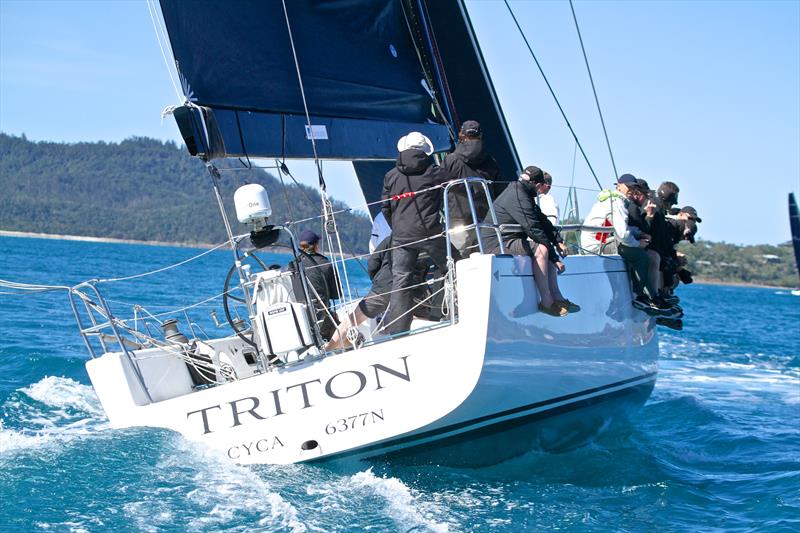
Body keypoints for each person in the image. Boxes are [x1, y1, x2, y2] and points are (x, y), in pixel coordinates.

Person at [381, 132, 453, 334]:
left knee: (401, 281)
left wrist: (397, 226)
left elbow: (385, 207)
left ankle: (398, 331)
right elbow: (455, 186)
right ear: (424, 151)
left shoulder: (391, 175)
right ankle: (444, 313)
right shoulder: (434, 172)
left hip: (401, 236)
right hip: (430, 233)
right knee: (456, 265)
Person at [581, 174, 677, 317]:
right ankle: (641, 297)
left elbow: (621, 229)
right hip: (596, 245)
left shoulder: (612, 200)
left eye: (634, 187)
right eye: (628, 186)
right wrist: (638, 243)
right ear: (618, 186)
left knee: (646, 254)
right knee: (641, 257)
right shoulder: (617, 203)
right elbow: (623, 234)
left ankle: (649, 296)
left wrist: (638, 233)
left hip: (598, 241)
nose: (631, 189)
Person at [486, 165, 577, 316]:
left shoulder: (520, 191)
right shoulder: (518, 195)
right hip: (497, 242)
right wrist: (555, 259)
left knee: (545, 246)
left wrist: (558, 241)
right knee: (542, 249)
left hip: (509, 238)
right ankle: (546, 303)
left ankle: (557, 297)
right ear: (538, 184)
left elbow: (542, 221)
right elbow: (533, 228)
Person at [442, 120, 502, 255]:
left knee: (458, 260)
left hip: (459, 218)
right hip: (486, 218)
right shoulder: (491, 161)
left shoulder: (451, 160)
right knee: (487, 257)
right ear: (480, 135)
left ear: (462, 135)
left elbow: (441, 187)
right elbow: (499, 191)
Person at [288, 230, 340, 340]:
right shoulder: (325, 264)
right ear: (316, 245)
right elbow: (337, 295)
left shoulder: (292, 266)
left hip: (300, 319)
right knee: (341, 328)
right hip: (322, 319)